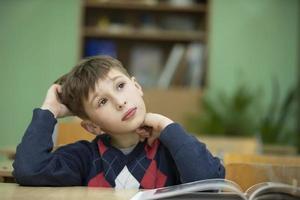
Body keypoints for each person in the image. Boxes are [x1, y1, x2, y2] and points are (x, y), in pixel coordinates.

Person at [13, 56, 225, 188]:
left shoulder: (171, 150)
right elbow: (29, 170)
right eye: (102, 101)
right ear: (92, 126)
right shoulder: (85, 158)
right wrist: (49, 110)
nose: (120, 102)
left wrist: (165, 124)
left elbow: (209, 184)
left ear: (137, 86)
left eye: (120, 86)